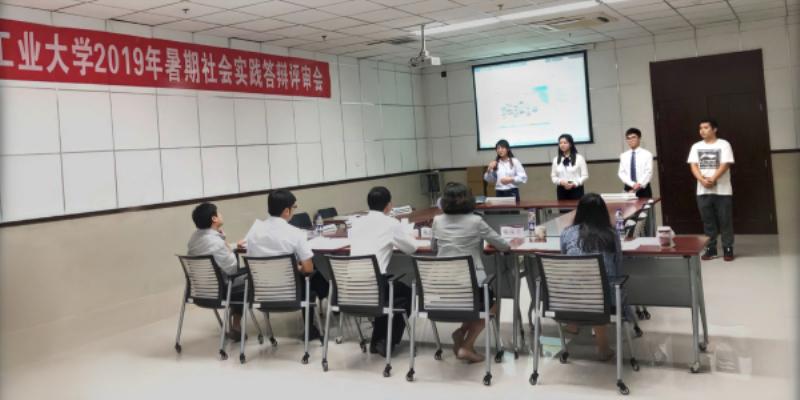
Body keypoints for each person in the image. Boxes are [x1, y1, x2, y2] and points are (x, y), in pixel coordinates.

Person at [431, 182, 511, 363]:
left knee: (472, 303)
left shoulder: (437, 220)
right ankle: (466, 346)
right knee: (492, 305)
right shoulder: (476, 221)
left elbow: (433, 247)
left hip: (439, 285)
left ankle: (460, 333)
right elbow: (503, 245)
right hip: (468, 284)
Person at [244, 190, 329, 339]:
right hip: (291, 292)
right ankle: (312, 327)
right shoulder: (295, 233)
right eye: (294, 207)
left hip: (261, 293)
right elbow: (308, 269)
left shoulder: (254, 231)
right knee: (318, 277)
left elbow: (252, 259)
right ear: (286, 211)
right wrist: (296, 267)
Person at [559, 193, 634, 360]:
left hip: (567, 301)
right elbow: (618, 265)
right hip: (602, 301)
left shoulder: (566, 233)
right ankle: (602, 347)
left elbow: (565, 261)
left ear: (579, 212)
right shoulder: (611, 234)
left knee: (580, 283)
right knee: (603, 286)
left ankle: (573, 325)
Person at [349, 186, 418, 357]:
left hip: (349, 287)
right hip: (374, 286)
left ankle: (378, 340)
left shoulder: (356, 222)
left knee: (388, 294)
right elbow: (411, 248)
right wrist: (410, 237)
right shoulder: (391, 223)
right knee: (406, 294)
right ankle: (386, 341)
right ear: (388, 206)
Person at [187, 202, 246, 341]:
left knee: (235, 281)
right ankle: (236, 322)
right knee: (248, 278)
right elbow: (232, 268)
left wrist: (230, 245)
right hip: (220, 292)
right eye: (218, 213)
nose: (220, 214)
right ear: (214, 219)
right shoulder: (216, 242)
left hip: (199, 292)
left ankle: (235, 322)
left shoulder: (193, 239)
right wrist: (225, 243)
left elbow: (214, 250)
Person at [687, 118, 735, 261]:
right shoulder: (696, 146)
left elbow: (725, 164)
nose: (702, 130)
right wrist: (702, 180)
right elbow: (693, 165)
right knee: (708, 221)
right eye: (700, 128)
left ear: (714, 129)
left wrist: (713, 178)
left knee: (725, 220)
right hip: (703, 190)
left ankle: (728, 248)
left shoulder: (724, 144)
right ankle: (711, 248)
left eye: (706, 127)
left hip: (722, 190)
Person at [617, 127, 653, 198]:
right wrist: (633, 184)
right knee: (627, 205)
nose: (631, 140)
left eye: (633, 137)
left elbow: (648, 172)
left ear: (639, 138)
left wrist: (638, 185)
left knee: (645, 205)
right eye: (628, 138)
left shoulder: (647, 154)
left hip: (643, 188)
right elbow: (621, 173)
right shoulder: (623, 156)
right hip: (628, 187)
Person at [551, 133, 588, 201]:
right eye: (560, 143)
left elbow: (585, 176)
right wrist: (561, 182)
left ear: (570, 144)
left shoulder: (579, 158)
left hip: (576, 189)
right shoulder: (556, 159)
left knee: (576, 207)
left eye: (565, 143)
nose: (562, 145)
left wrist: (574, 183)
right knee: (563, 208)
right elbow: (553, 176)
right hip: (562, 189)